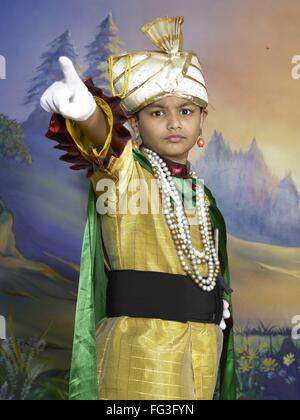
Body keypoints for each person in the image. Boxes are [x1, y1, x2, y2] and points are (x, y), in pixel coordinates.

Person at [40, 16, 236, 400]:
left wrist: (215, 303)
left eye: (187, 111)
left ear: (202, 121)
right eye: (157, 112)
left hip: (203, 348)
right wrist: (87, 116)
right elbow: (106, 146)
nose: (174, 123)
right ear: (134, 122)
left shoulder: (204, 195)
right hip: (141, 352)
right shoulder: (126, 172)